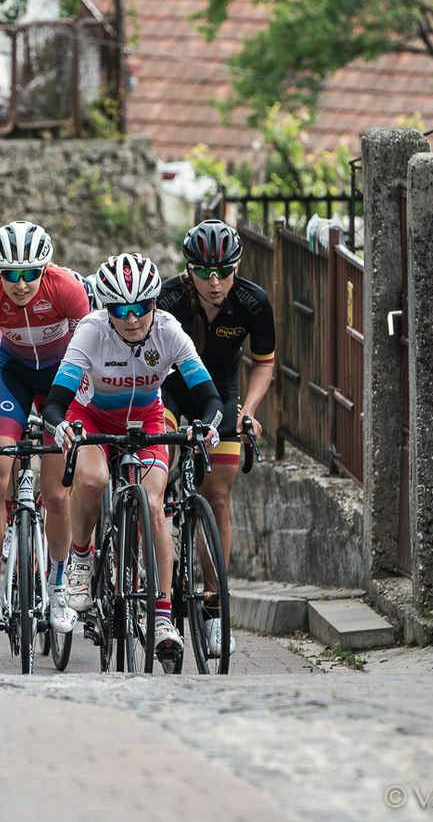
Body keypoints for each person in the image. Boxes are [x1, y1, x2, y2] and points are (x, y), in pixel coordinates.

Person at [46, 252, 224, 660]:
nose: (131, 318)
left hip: (146, 418)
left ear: (154, 303)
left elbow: (210, 397)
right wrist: (61, 427)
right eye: (120, 309)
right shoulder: (91, 331)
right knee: (93, 479)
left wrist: (209, 425)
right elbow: (57, 401)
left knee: (155, 505)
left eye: (141, 307)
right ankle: (80, 558)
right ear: (106, 309)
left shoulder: (169, 331)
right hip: (91, 416)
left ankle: (161, 615)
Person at [0, 220, 89, 629]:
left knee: (58, 494)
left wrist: (82, 414)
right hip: (12, 377)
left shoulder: (67, 289)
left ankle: (59, 588)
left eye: (30, 273)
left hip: (61, 378)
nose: (21, 283)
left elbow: (88, 357)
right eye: (10, 274)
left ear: (44, 269)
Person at [156, 218, 275, 658]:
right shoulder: (167, 299)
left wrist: (249, 411)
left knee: (219, 495)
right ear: (189, 270)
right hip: (171, 388)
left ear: (236, 267)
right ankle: (154, 529)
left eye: (224, 271)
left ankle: (212, 608)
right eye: (204, 272)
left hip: (220, 392)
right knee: (157, 463)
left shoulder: (252, 302)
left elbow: (264, 363)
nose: (214, 282)